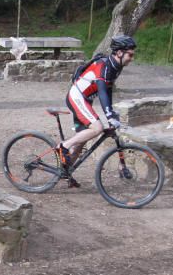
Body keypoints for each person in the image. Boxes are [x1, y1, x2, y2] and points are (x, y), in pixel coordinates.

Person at [56, 35, 137, 186]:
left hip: (85, 100)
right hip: (77, 97)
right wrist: (108, 115)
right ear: (119, 52)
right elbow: (102, 92)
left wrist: (111, 112)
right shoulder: (104, 66)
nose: (131, 58)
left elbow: (108, 90)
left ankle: (64, 172)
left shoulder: (116, 67)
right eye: (130, 55)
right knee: (97, 128)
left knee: (81, 143)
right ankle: (63, 146)